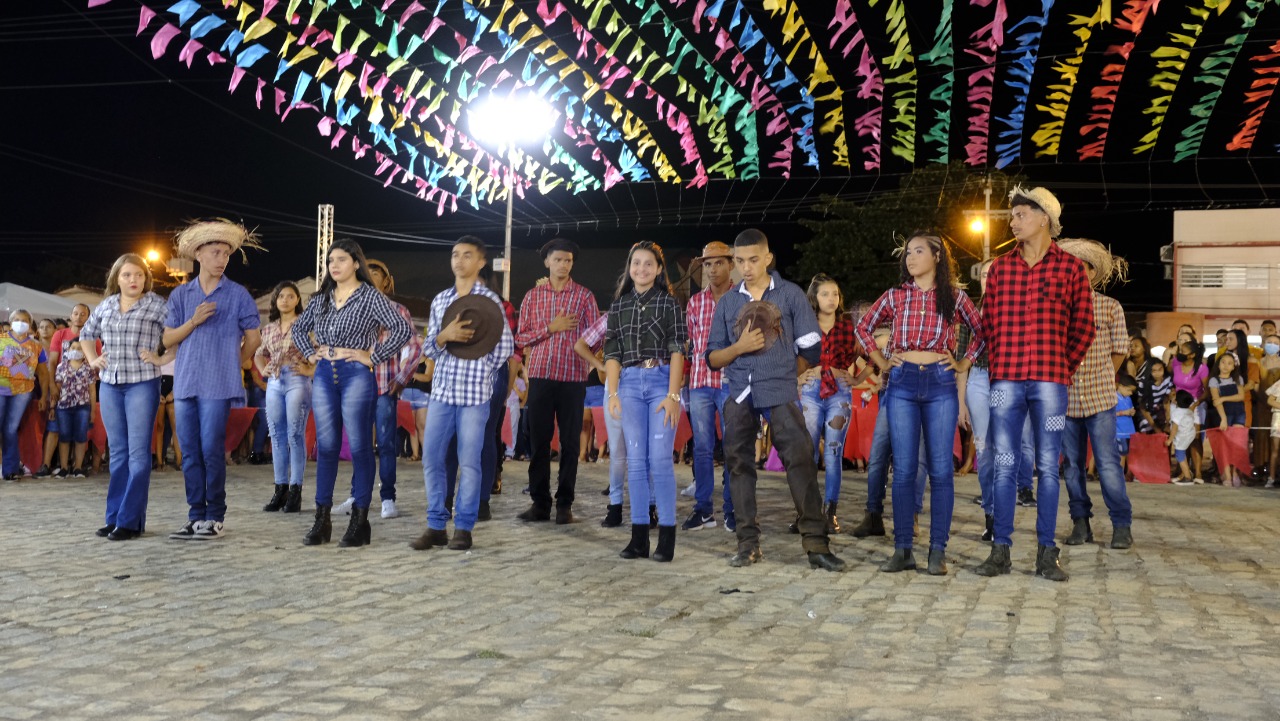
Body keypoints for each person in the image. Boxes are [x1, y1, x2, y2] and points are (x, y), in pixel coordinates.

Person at [974, 186, 1094, 582]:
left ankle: (1046, 552)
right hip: (1006, 381)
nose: (1013, 221)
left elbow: (1084, 328)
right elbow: (987, 325)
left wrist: (1061, 367)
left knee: (1047, 466)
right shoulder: (1000, 270)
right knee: (1004, 464)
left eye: (1021, 214)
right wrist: (996, 367)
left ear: (1044, 218)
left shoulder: (1071, 269)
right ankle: (1001, 549)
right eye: (1013, 215)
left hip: (1050, 385)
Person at [707, 228, 846, 572]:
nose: (746, 267)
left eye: (753, 259)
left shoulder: (791, 294)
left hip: (780, 391)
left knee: (800, 460)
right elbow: (712, 358)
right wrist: (739, 348)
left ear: (768, 258)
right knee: (738, 466)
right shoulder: (727, 302)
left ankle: (816, 545)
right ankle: (747, 545)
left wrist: (785, 374)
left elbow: (811, 349)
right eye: (740, 261)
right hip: (739, 392)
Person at [855, 232, 985, 575]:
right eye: (907, 253)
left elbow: (982, 331)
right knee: (904, 469)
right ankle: (903, 550)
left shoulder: (954, 297)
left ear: (937, 257)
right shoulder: (896, 295)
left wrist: (963, 362)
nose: (910, 258)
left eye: (918, 251)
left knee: (941, 469)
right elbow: (863, 328)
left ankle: (937, 552)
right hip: (902, 382)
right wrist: (882, 363)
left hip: (941, 383)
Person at [292, 239, 411, 547]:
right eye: (331, 260)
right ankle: (322, 520)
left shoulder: (370, 296)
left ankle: (360, 521)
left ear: (356, 263)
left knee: (359, 447)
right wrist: (311, 354)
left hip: (356, 374)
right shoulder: (322, 298)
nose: (334, 265)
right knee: (327, 447)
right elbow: (298, 328)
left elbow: (401, 329)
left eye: (341, 259)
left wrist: (371, 356)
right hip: (323, 374)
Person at [161, 220, 263, 540]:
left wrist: (235, 362)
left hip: (218, 385)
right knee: (189, 451)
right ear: (199, 254)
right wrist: (193, 321)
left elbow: (254, 338)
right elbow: (167, 339)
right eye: (216, 252)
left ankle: (215, 515)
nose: (222, 259)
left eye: (227, 254)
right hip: (186, 381)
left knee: (211, 449)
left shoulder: (238, 294)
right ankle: (195, 515)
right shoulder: (181, 294)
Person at [410, 236, 513, 552]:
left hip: (474, 396)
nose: (459, 260)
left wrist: (480, 368)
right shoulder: (441, 300)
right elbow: (428, 348)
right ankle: (436, 525)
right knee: (432, 459)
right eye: (455, 254)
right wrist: (444, 336)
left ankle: (464, 528)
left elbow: (505, 348)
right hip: (441, 393)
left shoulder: (491, 302)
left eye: (467, 255)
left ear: (481, 262)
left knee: (469, 462)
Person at [602, 241, 687, 562]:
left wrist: (674, 395)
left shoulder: (669, 304)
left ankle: (666, 537)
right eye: (636, 263)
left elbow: (678, 349)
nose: (641, 269)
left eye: (648, 263)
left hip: (661, 383)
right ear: (629, 267)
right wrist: (612, 393)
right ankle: (638, 538)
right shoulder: (619, 306)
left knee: (660, 459)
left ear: (659, 269)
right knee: (635, 462)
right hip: (628, 385)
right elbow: (612, 353)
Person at [79, 254, 168, 541]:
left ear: (146, 279)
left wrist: (161, 358)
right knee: (117, 454)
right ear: (116, 278)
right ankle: (115, 517)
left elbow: (176, 335)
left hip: (142, 383)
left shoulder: (156, 304)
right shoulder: (106, 305)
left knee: (138, 455)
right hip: (110, 384)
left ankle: (129, 521)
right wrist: (92, 359)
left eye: (139, 275)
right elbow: (86, 334)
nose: (133, 280)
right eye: (127, 275)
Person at [515, 238, 600, 524]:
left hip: (573, 378)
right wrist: (550, 328)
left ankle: (565, 504)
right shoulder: (532, 296)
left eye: (568, 260)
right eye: (558, 259)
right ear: (547, 262)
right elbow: (521, 337)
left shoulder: (584, 296)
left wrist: (589, 357)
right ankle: (540, 503)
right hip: (540, 376)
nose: (563, 265)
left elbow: (596, 336)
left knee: (570, 443)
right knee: (539, 441)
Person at [1056, 238, 1134, 550]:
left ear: (1091, 272)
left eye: (1081, 268)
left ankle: (1121, 525)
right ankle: (1080, 523)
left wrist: (1105, 375)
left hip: (1100, 397)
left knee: (1107, 462)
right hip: (1065, 397)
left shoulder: (1110, 306)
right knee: (1072, 465)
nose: (1075, 273)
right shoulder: (1055, 308)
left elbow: (1121, 349)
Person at [332, 258, 423, 521]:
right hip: (355, 386)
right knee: (359, 444)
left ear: (386, 282)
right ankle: (356, 497)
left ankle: (387, 498)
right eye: (366, 272)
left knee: (385, 443)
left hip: (384, 385)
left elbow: (415, 345)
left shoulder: (397, 310)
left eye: (376, 273)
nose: (370, 276)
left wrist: (403, 377)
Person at [800, 273, 865, 536]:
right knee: (808, 454)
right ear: (814, 298)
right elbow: (787, 355)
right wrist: (797, 377)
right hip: (810, 392)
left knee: (833, 454)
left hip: (840, 392)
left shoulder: (848, 328)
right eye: (825, 294)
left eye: (835, 294)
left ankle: (830, 513)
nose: (831, 299)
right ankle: (806, 513)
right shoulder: (804, 326)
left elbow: (872, 356)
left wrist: (857, 378)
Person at [683, 241, 738, 532]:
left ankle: (732, 508)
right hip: (700, 382)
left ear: (731, 265)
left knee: (732, 447)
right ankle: (703, 509)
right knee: (702, 448)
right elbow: (690, 345)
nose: (713, 269)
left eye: (719, 263)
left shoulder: (742, 298)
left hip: (731, 382)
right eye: (707, 264)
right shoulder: (695, 302)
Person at [254, 281, 314, 514]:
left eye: (290, 296)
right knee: (277, 436)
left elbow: (319, 351)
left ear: (297, 300)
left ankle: (295, 490)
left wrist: (310, 369)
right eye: (281, 296)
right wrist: (263, 370)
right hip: (275, 381)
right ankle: (280, 490)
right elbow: (259, 354)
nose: (285, 300)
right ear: (275, 301)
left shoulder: (305, 325)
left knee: (294, 434)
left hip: (297, 378)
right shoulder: (269, 328)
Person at [39, 304, 91, 478]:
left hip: (82, 393)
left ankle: (77, 466)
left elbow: (95, 364)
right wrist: (53, 385)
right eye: (76, 313)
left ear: (88, 318)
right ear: (71, 315)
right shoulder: (60, 335)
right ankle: (47, 465)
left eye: (83, 314)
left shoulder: (93, 337)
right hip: (61, 387)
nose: (79, 317)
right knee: (55, 428)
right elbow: (53, 362)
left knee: (80, 433)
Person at [0, 309, 50, 480]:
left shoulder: (36, 346)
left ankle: (10, 470)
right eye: (17, 319)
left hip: (23, 391)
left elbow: (43, 373)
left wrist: (44, 396)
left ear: (30, 324)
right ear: (11, 322)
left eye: (24, 320)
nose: (20, 323)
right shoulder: (1, 339)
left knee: (11, 428)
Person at [53, 340, 95, 479]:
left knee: (81, 437)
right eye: (73, 347)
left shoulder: (88, 368)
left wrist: (93, 411)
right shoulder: (61, 367)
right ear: (68, 349)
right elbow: (57, 388)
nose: (76, 350)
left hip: (83, 407)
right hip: (63, 407)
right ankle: (64, 468)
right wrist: (53, 406)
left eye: (79, 348)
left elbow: (92, 390)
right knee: (64, 436)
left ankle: (78, 467)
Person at [1171, 339, 1209, 483]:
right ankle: (1184, 472)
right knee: (1180, 437)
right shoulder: (1176, 363)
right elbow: (1173, 383)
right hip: (1178, 404)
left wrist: (1196, 404)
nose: (1179, 353)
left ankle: (1198, 473)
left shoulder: (1201, 368)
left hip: (1195, 404)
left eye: (1183, 351)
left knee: (1194, 438)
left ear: (1192, 355)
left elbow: (1206, 390)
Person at [1209, 351, 1248, 486]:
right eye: (1223, 362)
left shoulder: (1238, 379)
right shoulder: (1214, 381)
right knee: (1225, 446)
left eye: (1230, 363)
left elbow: (1241, 396)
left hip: (1239, 413)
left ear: (1234, 367)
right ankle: (1226, 474)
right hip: (1224, 414)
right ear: (1218, 364)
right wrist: (1223, 419)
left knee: (1236, 444)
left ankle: (1235, 472)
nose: (1226, 366)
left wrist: (1223, 398)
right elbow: (1216, 401)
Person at [1261, 332, 1280, 487]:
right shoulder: (1279, 384)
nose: (1272, 345)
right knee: (1275, 449)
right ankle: (1271, 478)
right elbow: (1270, 400)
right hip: (1277, 420)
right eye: (1269, 342)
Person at [1168, 390, 1197, 485]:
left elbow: (1175, 428)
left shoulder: (1177, 412)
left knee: (1179, 455)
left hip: (1182, 437)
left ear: (1176, 401)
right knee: (1182, 454)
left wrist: (1170, 440)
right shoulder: (1189, 411)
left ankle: (1188, 478)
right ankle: (1185, 473)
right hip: (1190, 434)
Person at [1136, 359, 1172, 433]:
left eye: (1160, 369)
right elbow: (1142, 408)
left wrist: (1168, 421)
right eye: (1154, 371)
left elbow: (1166, 402)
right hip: (1147, 412)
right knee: (1145, 426)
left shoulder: (1167, 379)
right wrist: (1155, 428)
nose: (1158, 373)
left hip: (1161, 410)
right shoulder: (1143, 383)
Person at [1114, 374, 1138, 476]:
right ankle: (1119, 475)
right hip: (1119, 432)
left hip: (1128, 432)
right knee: (1121, 454)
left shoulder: (1128, 398)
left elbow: (1130, 409)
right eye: (1129, 390)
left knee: (1126, 453)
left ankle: (1124, 474)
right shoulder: (1113, 398)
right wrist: (1124, 412)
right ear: (1121, 386)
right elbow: (1109, 414)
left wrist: (1131, 412)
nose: (1130, 393)